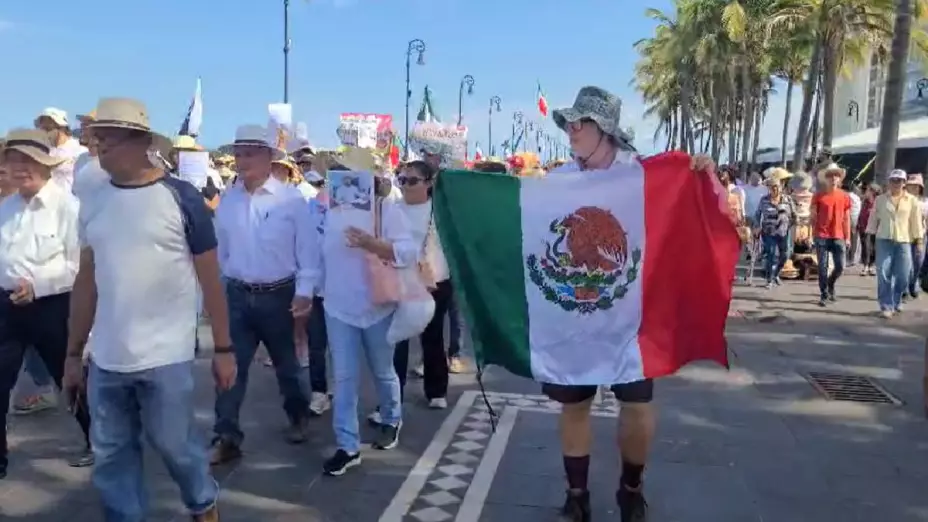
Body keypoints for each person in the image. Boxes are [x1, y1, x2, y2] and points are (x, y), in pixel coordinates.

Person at [545, 85, 718, 522]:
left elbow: (685, 211)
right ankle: (577, 494)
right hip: (576, 313)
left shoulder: (643, 176)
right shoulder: (559, 180)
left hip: (632, 318)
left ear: (604, 130)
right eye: (568, 122)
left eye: (578, 122)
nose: (570, 130)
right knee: (575, 404)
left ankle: (630, 487)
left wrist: (700, 174)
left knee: (637, 408)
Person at [63, 98, 232, 521]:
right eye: (96, 138)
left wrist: (225, 349)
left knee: (176, 446)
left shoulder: (181, 197)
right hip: (106, 358)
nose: (100, 147)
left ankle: (202, 502)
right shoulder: (94, 198)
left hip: (166, 356)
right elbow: (88, 280)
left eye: (110, 138)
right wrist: (73, 352)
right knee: (111, 458)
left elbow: (211, 279)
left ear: (140, 141)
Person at [304, 153, 416, 476]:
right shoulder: (325, 209)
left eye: (349, 173)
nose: (341, 179)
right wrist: (308, 292)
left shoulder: (385, 209)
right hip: (337, 307)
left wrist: (373, 244)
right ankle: (347, 445)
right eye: (338, 173)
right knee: (344, 377)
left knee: (383, 370)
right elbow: (314, 255)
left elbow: (407, 251)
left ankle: (392, 417)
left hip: (378, 306)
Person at [210, 125, 313, 465]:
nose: (242, 160)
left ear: (270, 157)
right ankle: (226, 435)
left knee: (287, 367)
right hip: (237, 296)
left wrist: (304, 292)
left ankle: (298, 416)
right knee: (229, 369)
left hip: (280, 296)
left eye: (251, 153)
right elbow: (220, 250)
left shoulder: (291, 199)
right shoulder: (229, 199)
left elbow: (308, 252)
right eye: (239, 154)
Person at [0, 130, 94, 478]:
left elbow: (78, 266)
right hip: (7, 308)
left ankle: (98, 440)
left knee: (70, 380)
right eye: (14, 161)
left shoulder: (68, 207)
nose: (20, 168)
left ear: (46, 165)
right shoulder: (6, 208)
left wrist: (38, 286)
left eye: (28, 161)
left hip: (54, 307)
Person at [393, 160, 452, 409]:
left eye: (413, 180)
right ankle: (393, 395)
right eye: (402, 180)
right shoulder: (391, 209)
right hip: (399, 282)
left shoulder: (440, 211)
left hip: (434, 281)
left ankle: (436, 390)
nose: (406, 185)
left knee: (433, 336)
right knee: (397, 340)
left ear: (428, 183)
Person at [866, 169, 925, 317]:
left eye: (899, 180)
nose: (896, 183)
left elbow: (916, 222)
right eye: (893, 180)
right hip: (884, 240)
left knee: (904, 275)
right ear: (889, 182)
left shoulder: (912, 201)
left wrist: (919, 241)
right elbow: (873, 219)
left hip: (904, 241)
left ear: (904, 183)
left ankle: (896, 300)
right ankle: (886, 305)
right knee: (883, 273)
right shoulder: (880, 200)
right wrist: (870, 237)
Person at [809, 163, 852, 306]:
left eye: (836, 175)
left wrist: (848, 237)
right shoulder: (818, 195)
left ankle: (831, 283)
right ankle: (824, 294)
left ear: (840, 179)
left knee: (840, 266)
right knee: (822, 266)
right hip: (821, 234)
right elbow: (812, 217)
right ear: (826, 179)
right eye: (830, 175)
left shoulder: (845, 196)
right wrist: (811, 235)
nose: (833, 178)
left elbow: (847, 218)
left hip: (838, 235)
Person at [753, 176, 795, 289]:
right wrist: (757, 227)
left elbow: (794, 216)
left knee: (784, 255)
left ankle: (776, 274)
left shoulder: (787, 199)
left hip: (783, 232)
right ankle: (769, 279)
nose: (774, 189)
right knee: (771, 253)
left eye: (776, 187)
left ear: (780, 187)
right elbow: (757, 215)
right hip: (768, 232)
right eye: (772, 187)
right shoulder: (764, 200)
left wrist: (789, 226)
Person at [34, 107, 88, 193]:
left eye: (48, 128)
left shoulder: (80, 151)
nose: (44, 133)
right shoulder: (43, 152)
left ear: (61, 128)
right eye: (42, 129)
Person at [905, 174, 927, 298]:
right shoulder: (902, 200)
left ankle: (913, 284)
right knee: (907, 263)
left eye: (915, 186)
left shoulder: (924, 202)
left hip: (921, 237)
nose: (912, 188)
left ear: (920, 188)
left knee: (918, 262)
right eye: (910, 185)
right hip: (905, 236)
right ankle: (906, 289)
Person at [858, 184, 879, 276]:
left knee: (873, 247)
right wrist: (858, 224)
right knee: (865, 247)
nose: (866, 192)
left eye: (868, 190)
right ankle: (865, 266)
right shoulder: (864, 202)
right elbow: (861, 214)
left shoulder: (878, 202)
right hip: (864, 227)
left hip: (874, 228)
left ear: (873, 192)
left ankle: (871, 266)